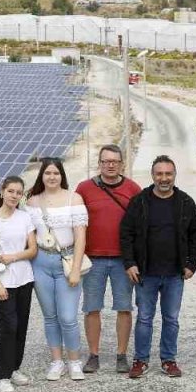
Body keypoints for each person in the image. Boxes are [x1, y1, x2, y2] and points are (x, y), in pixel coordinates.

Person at [119, 155, 196, 379]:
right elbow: (125, 233)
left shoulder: (185, 202)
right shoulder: (140, 201)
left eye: (168, 174)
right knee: (144, 318)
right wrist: (130, 263)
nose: (164, 178)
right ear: (153, 175)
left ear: (174, 175)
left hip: (175, 274)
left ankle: (168, 359)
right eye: (159, 173)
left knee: (171, 319)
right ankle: (140, 360)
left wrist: (191, 264)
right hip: (145, 273)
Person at [75, 145, 142, 374]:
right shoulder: (84, 189)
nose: (110, 165)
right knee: (91, 308)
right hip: (92, 259)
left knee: (124, 308)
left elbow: (139, 226)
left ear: (122, 163)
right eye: (106, 161)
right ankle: (93, 354)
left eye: (114, 161)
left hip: (124, 261)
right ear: (99, 163)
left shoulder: (133, 188)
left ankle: (121, 355)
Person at [27, 157, 89, 381]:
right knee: (50, 316)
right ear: (41, 176)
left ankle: (74, 361)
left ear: (62, 175)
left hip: (68, 260)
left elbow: (81, 237)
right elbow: (29, 235)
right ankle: (56, 361)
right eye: (47, 173)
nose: (51, 177)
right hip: (41, 262)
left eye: (55, 173)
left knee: (68, 316)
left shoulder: (74, 198)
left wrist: (76, 269)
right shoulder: (32, 202)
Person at [0, 176, 38, 392]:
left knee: (21, 326)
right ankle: (2, 376)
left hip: (25, 279)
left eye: (18, 193)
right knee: (9, 327)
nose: (14, 196)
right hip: (4, 283)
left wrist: (13, 257)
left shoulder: (25, 218)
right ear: (2, 192)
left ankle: (14, 368)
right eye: (11, 191)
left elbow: (32, 249)